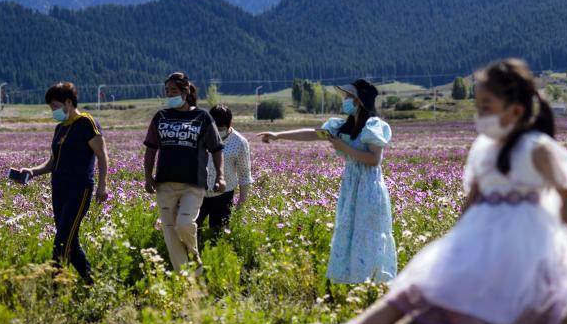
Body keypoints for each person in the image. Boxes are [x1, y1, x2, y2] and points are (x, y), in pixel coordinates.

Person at [306, 59, 567, 324]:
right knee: (419, 285)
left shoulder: (537, 148)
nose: (479, 115)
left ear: (515, 110)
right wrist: (456, 242)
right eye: (478, 106)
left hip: (522, 245)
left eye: (487, 107)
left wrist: (564, 246)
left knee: (457, 297)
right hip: (483, 240)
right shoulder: (484, 150)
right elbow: (474, 199)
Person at [259, 79, 396, 283]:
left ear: (360, 101)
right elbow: (313, 134)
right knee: (350, 232)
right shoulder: (343, 126)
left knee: (368, 234)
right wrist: (278, 135)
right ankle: (356, 283)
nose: (346, 101)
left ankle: (373, 283)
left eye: (350, 97)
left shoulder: (373, 126)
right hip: (351, 187)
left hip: (368, 188)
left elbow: (373, 160)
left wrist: (342, 147)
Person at [15, 82, 108, 284]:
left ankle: (56, 287)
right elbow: (52, 162)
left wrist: (102, 185)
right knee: (70, 241)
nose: (53, 111)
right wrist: (32, 172)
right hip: (59, 190)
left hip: (79, 190)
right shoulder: (60, 128)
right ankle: (92, 283)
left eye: (55, 106)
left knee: (62, 241)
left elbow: (102, 155)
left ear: (68, 102)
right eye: (51, 108)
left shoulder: (86, 123)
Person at [143, 72, 225, 272]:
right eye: (167, 91)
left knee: (184, 223)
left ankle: (194, 257)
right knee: (170, 233)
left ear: (185, 91)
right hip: (165, 183)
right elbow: (151, 148)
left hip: (193, 183)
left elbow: (216, 148)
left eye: (173, 91)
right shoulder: (160, 117)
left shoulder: (202, 117)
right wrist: (147, 176)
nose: (169, 94)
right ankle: (185, 278)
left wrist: (221, 176)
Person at [198, 105, 252, 233]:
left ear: (229, 124)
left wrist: (241, 201)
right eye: (214, 127)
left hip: (223, 195)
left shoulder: (239, 142)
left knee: (218, 233)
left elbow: (244, 174)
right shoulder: (199, 136)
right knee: (191, 229)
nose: (217, 132)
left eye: (221, 128)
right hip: (198, 193)